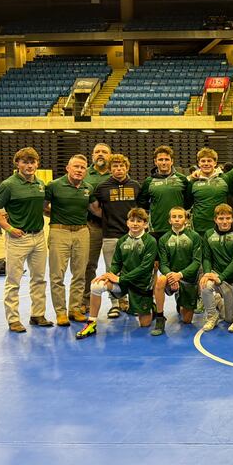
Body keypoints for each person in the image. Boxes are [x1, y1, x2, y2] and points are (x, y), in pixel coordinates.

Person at [0, 147, 52, 333]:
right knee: (14, 280)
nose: (29, 166)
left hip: (39, 236)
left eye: (32, 162)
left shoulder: (40, 184)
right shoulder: (8, 185)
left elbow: (43, 209)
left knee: (39, 279)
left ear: (37, 164)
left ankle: (37, 315)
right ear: (17, 164)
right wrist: (8, 228)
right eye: (25, 162)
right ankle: (13, 319)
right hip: (18, 238)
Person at [77, 207, 157, 339]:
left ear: (145, 224)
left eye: (139, 221)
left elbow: (145, 268)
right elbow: (116, 263)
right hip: (124, 283)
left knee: (145, 324)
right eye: (132, 220)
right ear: (127, 223)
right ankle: (91, 323)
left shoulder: (150, 242)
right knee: (96, 286)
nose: (135, 223)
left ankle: (150, 307)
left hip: (141, 285)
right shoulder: (122, 241)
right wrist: (108, 274)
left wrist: (120, 279)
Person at [44, 154, 95, 327]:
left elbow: (95, 209)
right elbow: (43, 207)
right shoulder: (54, 186)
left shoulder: (88, 188)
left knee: (80, 273)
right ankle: (60, 312)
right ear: (68, 168)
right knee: (57, 274)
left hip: (82, 231)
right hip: (59, 232)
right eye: (76, 167)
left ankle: (75, 309)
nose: (79, 170)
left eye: (83, 167)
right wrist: (59, 216)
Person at [90, 153, 141, 319]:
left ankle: (132, 302)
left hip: (132, 235)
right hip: (110, 235)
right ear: (110, 169)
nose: (119, 169)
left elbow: (141, 210)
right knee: (112, 269)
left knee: (132, 269)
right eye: (115, 167)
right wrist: (107, 218)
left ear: (127, 168)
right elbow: (95, 207)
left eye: (121, 166)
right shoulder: (103, 187)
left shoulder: (135, 186)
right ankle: (115, 304)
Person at [153, 207, 202, 335]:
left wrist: (179, 275)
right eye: (174, 217)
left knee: (186, 320)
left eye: (180, 217)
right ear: (169, 220)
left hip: (188, 279)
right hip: (171, 278)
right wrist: (170, 276)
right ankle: (159, 317)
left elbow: (197, 262)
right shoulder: (164, 239)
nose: (177, 219)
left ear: (185, 220)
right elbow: (163, 264)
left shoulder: (195, 237)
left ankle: (180, 298)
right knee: (160, 280)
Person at [199, 204, 233, 332]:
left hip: (232, 279)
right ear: (215, 219)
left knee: (229, 319)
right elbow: (207, 258)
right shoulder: (208, 234)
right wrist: (207, 274)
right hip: (215, 275)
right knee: (205, 285)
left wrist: (221, 277)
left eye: (227, 218)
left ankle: (218, 300)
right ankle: (211, 316)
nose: (224, 222)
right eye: (221, 218)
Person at [82, 143, 112, 315]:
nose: (101, 155)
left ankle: (119, 300)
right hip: (91, 226)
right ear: (92, 155)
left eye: (104, 152)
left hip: (113, 228)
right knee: (88, 264)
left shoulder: (117, 172)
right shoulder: (85, 173)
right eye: (97, 152)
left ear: (110, 155)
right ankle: (86, 299)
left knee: (116, 265)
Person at [138, 145, 190, 241]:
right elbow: (142, 203)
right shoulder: (149, 181)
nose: (164, 162)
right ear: (155, 162)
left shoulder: (182, 179)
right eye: (160, 160)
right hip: (156, 228)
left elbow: (189, 201)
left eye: (166, 159)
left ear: (172, 161)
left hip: (178, 227)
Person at [187, 147, 229, 235]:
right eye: (203, 161)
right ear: (198, 163)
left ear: (215, 163)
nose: (206, 164)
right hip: (200, 226)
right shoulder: (193, 181)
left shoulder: (224, 178)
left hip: (221, 224)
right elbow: (187, 203)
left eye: (209, 161)